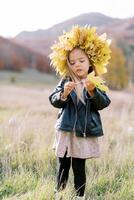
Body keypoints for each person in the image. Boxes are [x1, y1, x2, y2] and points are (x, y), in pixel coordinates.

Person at [49, 25, 111, 200]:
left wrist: (93, 92)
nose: (77, 65)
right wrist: (63, 94)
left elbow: (104, 103)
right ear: (67, 64)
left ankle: (79, 196)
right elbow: (53, 100)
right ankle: (59, 195)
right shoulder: (66, 81)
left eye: (81, 61)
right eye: (73, 62)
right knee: (63, 165)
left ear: (90, 61)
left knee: (79, 167)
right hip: (66, 131)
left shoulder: (95, 82)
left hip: (83, 133)